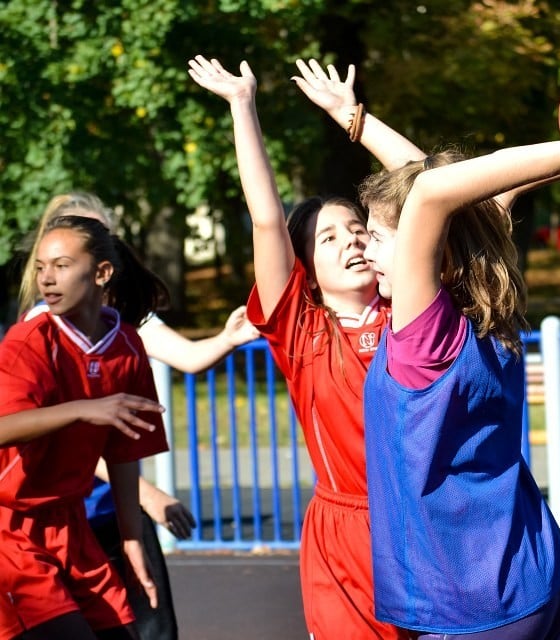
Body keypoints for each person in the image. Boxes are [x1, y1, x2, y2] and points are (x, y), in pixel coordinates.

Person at [356, 122, 560, 637]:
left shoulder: (423, 337)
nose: (367, 253)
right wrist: (358, 123)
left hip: (473, 600)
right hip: (533, 573)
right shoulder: (484, 311)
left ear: (433, 251)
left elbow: (431, 192)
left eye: (379, 240)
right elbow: (450, 190)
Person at [187, 54, 425, 638]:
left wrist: (355, 119)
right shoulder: (301, 328)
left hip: (424, 526)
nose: (349, 241)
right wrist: (243, 106)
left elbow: (431, 188)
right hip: (344, 534)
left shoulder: (413, 310)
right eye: (328, 236)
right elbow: (267, 220)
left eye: (357, 230)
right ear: (306, 270)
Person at [16, 191, 261, 640]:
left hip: (101, 521)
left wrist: (228, 338)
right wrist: (147, 493)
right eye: (50, 259)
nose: (53, 273)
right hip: (34, 525)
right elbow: (57, 435)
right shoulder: (35, 336)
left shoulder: (125, 335)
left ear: (105, 262)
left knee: (144, 628)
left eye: (93, 235)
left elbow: (124, 442)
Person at [0, 214, 170, 640]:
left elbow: (124, 453)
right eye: (40, 267)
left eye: (60, 265)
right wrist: (81, 409)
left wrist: (132, 538)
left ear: (101, 273)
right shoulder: (29, 341)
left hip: (70, 527)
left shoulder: (126, 343)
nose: (46, 279)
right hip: (11, 530)